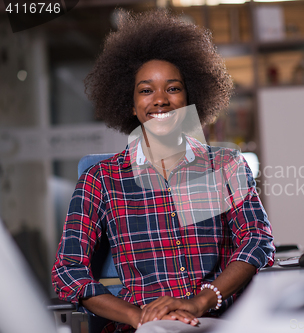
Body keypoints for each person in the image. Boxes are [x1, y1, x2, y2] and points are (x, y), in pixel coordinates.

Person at [51, 9, 274, 333]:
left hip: (221, 319)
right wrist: (137, 316)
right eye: (146, 90)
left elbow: (257, 239)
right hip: (146, 326)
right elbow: (68, 271)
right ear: (130, 103)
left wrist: (200, 301)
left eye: (172, 88)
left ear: (189, 97)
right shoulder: (101, 179)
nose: (160, 100)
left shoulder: (226, 166)